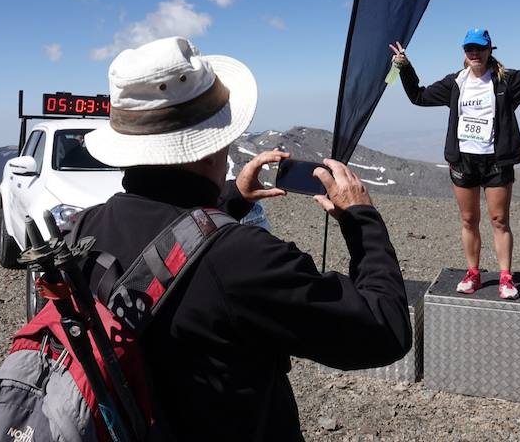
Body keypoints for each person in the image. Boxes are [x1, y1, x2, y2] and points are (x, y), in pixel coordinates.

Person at [79, 36, 412, 441]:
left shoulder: (80, 231)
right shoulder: (245, 258)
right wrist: (362, 220)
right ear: (210, 145)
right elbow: (384, 330)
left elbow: (170, 242)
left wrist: (229, 198)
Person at [389, 25, 520, 299]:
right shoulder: (456, 83)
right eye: (470, 48)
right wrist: (404, 67)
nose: (475, 53)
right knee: (469, 219)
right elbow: (419, 96)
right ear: (464, 52)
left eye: (480, 48)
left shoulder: (508, 80)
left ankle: (506, 278)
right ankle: (473, 273)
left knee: (499, 220)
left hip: (496, 163)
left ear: (489, 50)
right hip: (464, 163)